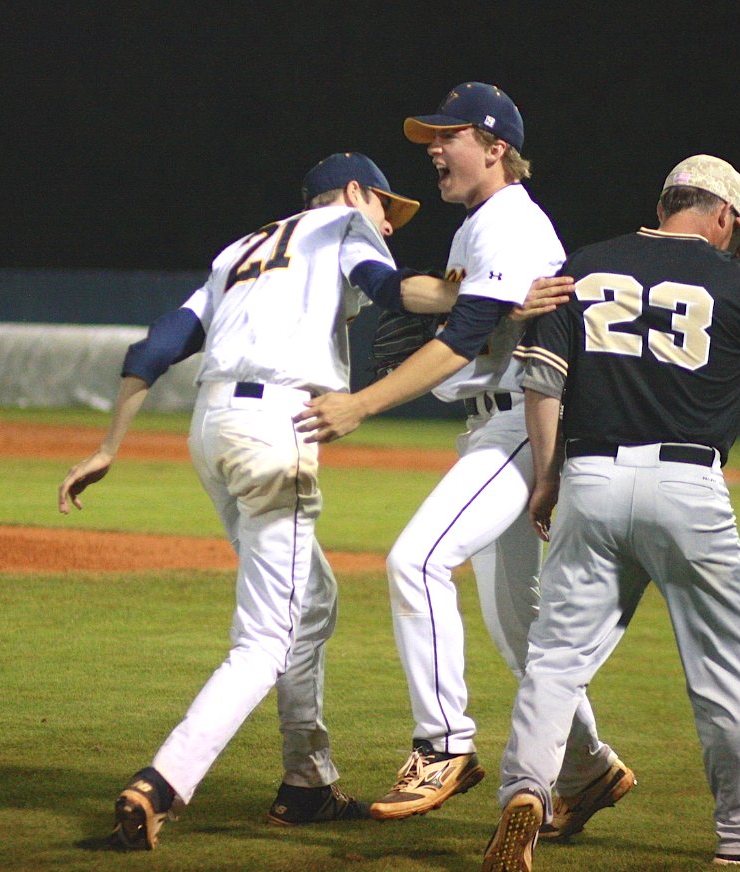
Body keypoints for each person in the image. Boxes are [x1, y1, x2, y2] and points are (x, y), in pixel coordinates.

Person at [57, 152, 452, 849]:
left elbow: (157, 345)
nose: (388, 221)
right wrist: (474, 299)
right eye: (385, 204)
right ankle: (162, 783)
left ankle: (306, 785)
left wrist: (108, 445)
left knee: (315, 598)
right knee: (268, 636)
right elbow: (390, 291)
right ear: (354, 192)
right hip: (277, 425)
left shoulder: (239, 249)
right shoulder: (341, 225)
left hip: (211, 429)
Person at [483, 153, 740, 871]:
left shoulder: (583, 265)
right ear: (726, 216)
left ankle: (526, 792)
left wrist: (547, 478)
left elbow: (542, 379)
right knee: (725, 674)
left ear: (664, 204)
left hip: (589, 474)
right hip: (689, 484)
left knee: (556, 662)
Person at [295, 82, 631, 831]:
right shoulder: (481, 227)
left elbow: (458, 342)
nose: (435, 151)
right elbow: (457, 317)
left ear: (496, 147)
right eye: (430, 139)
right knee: (519, 629)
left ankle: (445, 745)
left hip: (519, 425)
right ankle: (586, 771)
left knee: (416, 561)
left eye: (449, 137)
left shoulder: (509, 224)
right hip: (498, 423)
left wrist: (363, 403)